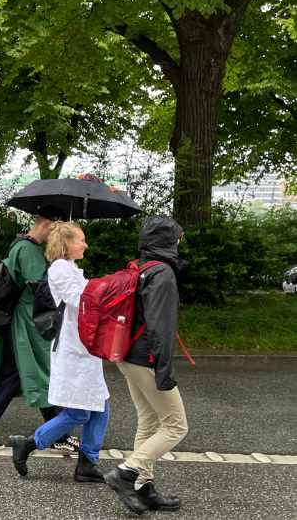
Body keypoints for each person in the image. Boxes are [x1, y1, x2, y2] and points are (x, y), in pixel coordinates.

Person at [0, 205, 75, 453]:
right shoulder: (29, 250)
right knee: (43, 373)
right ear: (46, 225)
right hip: (29, 323)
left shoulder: (22, 245)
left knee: (12, 375)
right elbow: (42, 290)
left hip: (20, 322)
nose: (57, 236)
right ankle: (58, 436)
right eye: (57, 230)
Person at [9, 221, 109, 482]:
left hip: (83, 347)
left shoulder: (70, 267)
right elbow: (82, 300)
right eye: (81, 240)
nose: (85, 245)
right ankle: (29, 444)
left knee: (99, 405)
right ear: (67, 243)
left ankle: (87, 463)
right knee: (81, 412)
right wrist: (109, 288)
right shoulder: (60, 269)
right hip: (73, 350)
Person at [105, 216, 188, 514]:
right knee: (176, 426)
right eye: (178, 237)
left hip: (127, 354)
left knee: (149, 421)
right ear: (169, 240)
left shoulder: (140, 267)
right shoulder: (162, 273)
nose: (179, 242)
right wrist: (165, 369)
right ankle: (126, 472)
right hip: (146, 359)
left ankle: (143, 486)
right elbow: (160, 327)